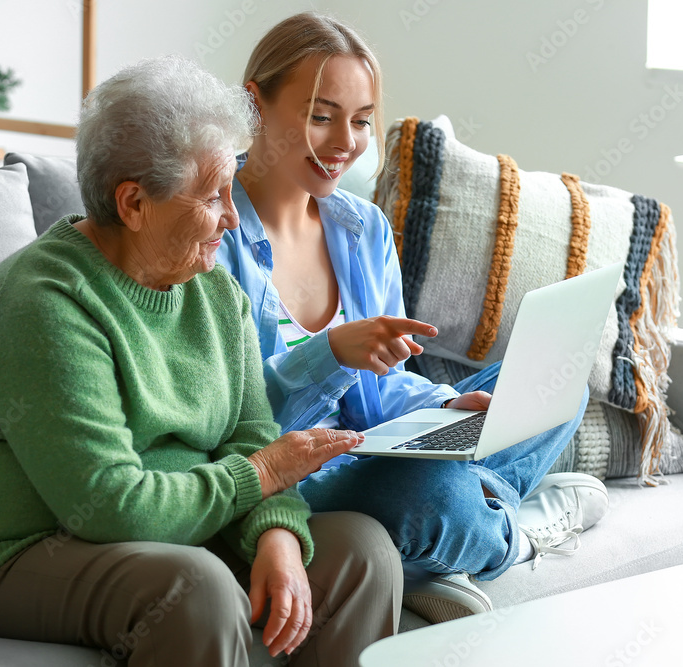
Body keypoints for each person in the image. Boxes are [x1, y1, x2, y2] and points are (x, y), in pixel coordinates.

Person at [0, 56, 402, 667]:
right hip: (12, 551)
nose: (232, 217)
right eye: (213, 195)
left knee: (361, 550)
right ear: (134, 203)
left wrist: (276, 532)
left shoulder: (215, 291)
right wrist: (265, 476)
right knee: (193, 590)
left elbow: (250, 434)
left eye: (232, 188)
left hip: (171, 527)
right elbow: (111, 503)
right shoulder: (42, 305)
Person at [217, 12, 610, 624]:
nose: (345, 142)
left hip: (373, 451)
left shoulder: (362, 228)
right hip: (290, 478)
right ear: (255, 105)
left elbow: (383, 391)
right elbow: (224, 419)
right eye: (321, 116)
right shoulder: (211, 236)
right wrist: (331, 353)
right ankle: (519, 532)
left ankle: (450, 543)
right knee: (431, 492)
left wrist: (444, 405)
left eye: (361, 121)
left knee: (555, 383)